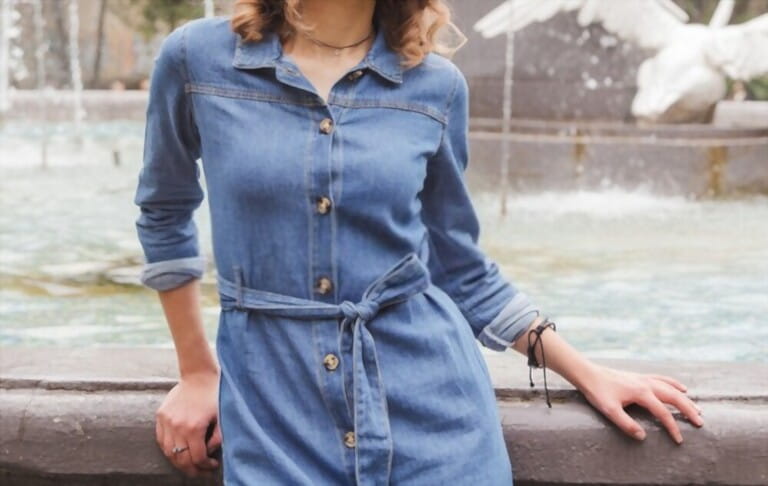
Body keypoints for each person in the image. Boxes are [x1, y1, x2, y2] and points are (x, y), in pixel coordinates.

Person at [133, 0, 705, 483]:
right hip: (275, 412)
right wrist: (198, 371)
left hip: (432, 413)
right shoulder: (197, 60)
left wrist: (586, 371)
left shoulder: (435, 87)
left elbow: (460, 269)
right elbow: (164, 212)